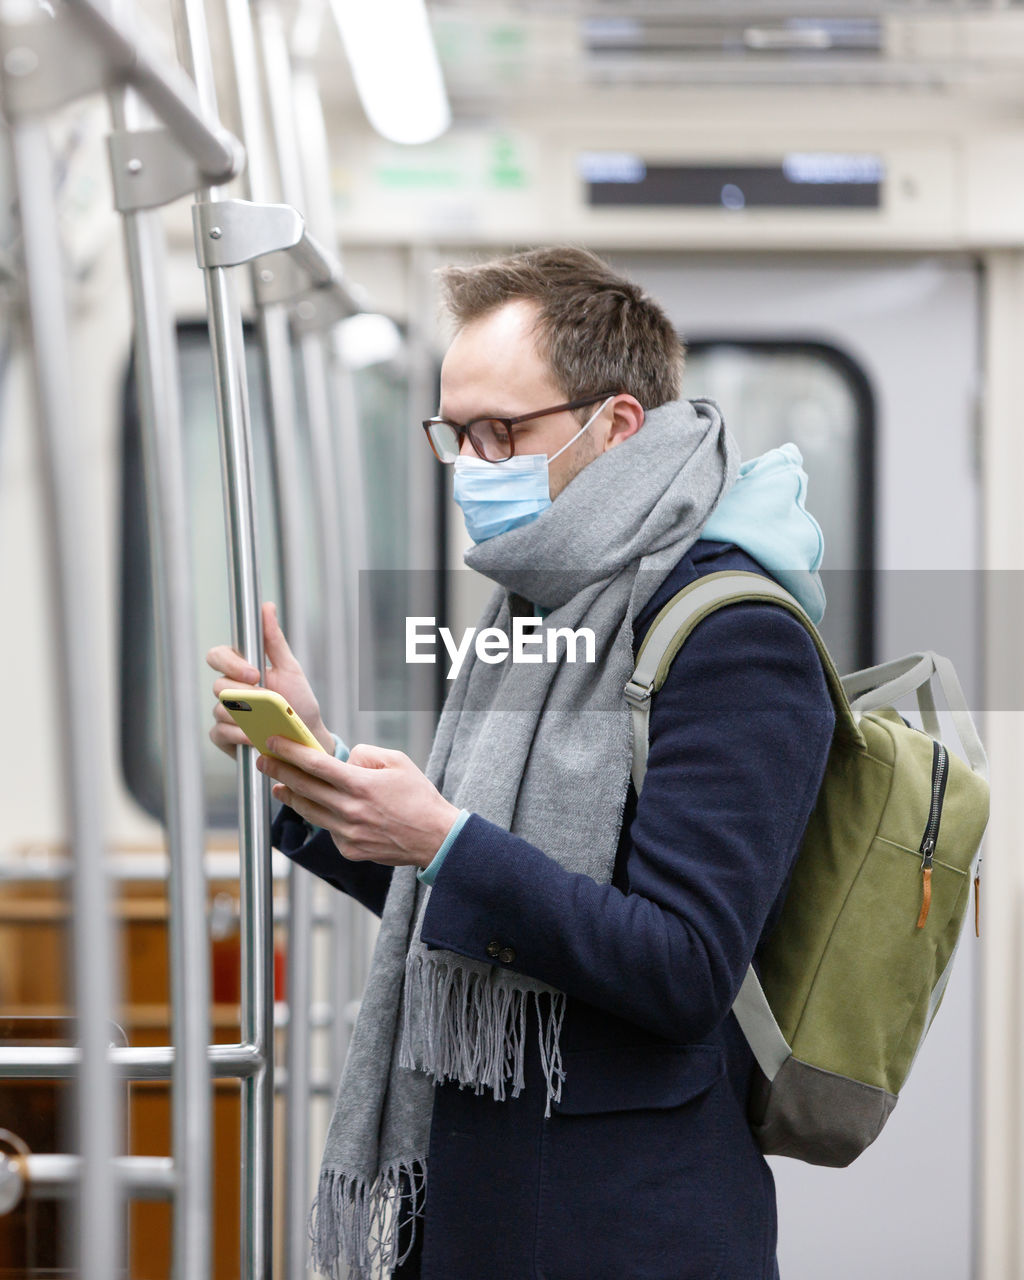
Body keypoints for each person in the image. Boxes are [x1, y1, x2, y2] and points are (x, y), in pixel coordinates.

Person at [207, 247, 835, 1280]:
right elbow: (485, 910)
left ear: (616, 425)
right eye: (455, 434)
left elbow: (681, 964)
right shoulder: (541, 603)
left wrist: (444, 838)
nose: (471, 463)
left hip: (621, 1224)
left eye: (502, 431)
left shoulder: (733, 629)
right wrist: (322, 779)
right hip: (486, 1202)